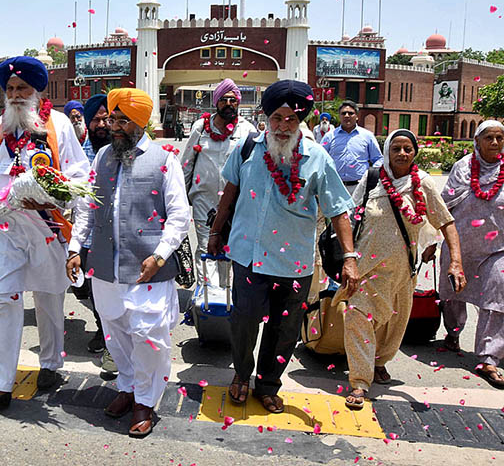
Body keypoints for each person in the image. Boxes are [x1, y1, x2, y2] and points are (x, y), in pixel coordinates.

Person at [208, 79, 358, 414]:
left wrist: (349, 257)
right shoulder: (248, 148)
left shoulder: (317, 157)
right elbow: (229, 192)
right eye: (277, 118)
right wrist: (215, 233)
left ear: (301, 120)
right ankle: (242, 376)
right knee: (244, 323)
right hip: (248, 255)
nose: (283, 125)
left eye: (291, 119)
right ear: (266, 117)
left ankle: (268, 385)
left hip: (295, 264)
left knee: (284, 331)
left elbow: (337, 210)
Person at [67, 88, 189, 437]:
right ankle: (127, 387)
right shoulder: (102, 156)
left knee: (149, 337)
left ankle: (145, 402)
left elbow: (179, 216)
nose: (113, 126)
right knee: (116, 333)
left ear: (140, 122)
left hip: (148, 268)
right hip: (105, 268)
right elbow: (87, 209)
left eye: (122, 120)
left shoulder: (165, 159)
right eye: (111, 119)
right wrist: (75, 248)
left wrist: (160, 255)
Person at [0, 56, 89, 412]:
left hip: (47, 228)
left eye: (22, 88)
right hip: (6, 229)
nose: (15, 94)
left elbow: (79, 174)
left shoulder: (58, 124)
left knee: (49, 298)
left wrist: (55, 197)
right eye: (9, 89)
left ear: (37, 91)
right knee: (1, 300)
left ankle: (51, 363)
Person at [337, 129, 465, 408]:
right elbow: (349, 216)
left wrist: (455, 261)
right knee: (357, 316)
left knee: (393, 327)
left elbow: (446, 222)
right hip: (365, 269)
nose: (402, 154)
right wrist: (348, 258)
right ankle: (359, 381)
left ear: (415, 152)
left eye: (408, 149)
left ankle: (379, 361)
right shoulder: (372, 179)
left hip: (402, 272)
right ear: (387, 151)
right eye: (396, 148)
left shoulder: (423, 183)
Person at [440, 120, 504, 389]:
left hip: (497, 249)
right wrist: (434, 241)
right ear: (476, 141)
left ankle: (489, 358)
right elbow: (445, 205)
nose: (495, 143)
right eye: (488, 137)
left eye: (500, 138)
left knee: (497, 300)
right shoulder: (463, 168)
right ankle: (453, 333)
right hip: (459, 247)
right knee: (452, 296)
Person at [180, 78, 254, 290]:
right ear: (216, 102)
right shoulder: (201, 127)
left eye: (233, 100)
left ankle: (224, 295)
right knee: (205, 246)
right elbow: (186, 164)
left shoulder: (247, 130)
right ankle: (207, 300)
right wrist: (180, 199)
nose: (229, 104)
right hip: (204, 200)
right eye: (224, 100)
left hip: (235, 204)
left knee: (228, 248)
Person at [76, 94, 113, 363]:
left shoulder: (122, 148)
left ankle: (110, 338)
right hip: (84, 235)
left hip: (116, 236)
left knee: (110, 290)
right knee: (84, 288)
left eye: (106, 118)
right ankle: (103, 326)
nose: (101, 124)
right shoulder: (78, 151)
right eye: (96, 119)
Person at [321, 100, 383, 194]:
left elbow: (378, 158)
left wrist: (371, 176)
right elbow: (320, 158)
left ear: (357, 116)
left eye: (350, 113)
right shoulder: (330, 136)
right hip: (335, 187)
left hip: (359, 187)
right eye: (343, 113)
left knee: (359, 209)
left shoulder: (367, 136)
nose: (347, 116)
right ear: (339, 116)